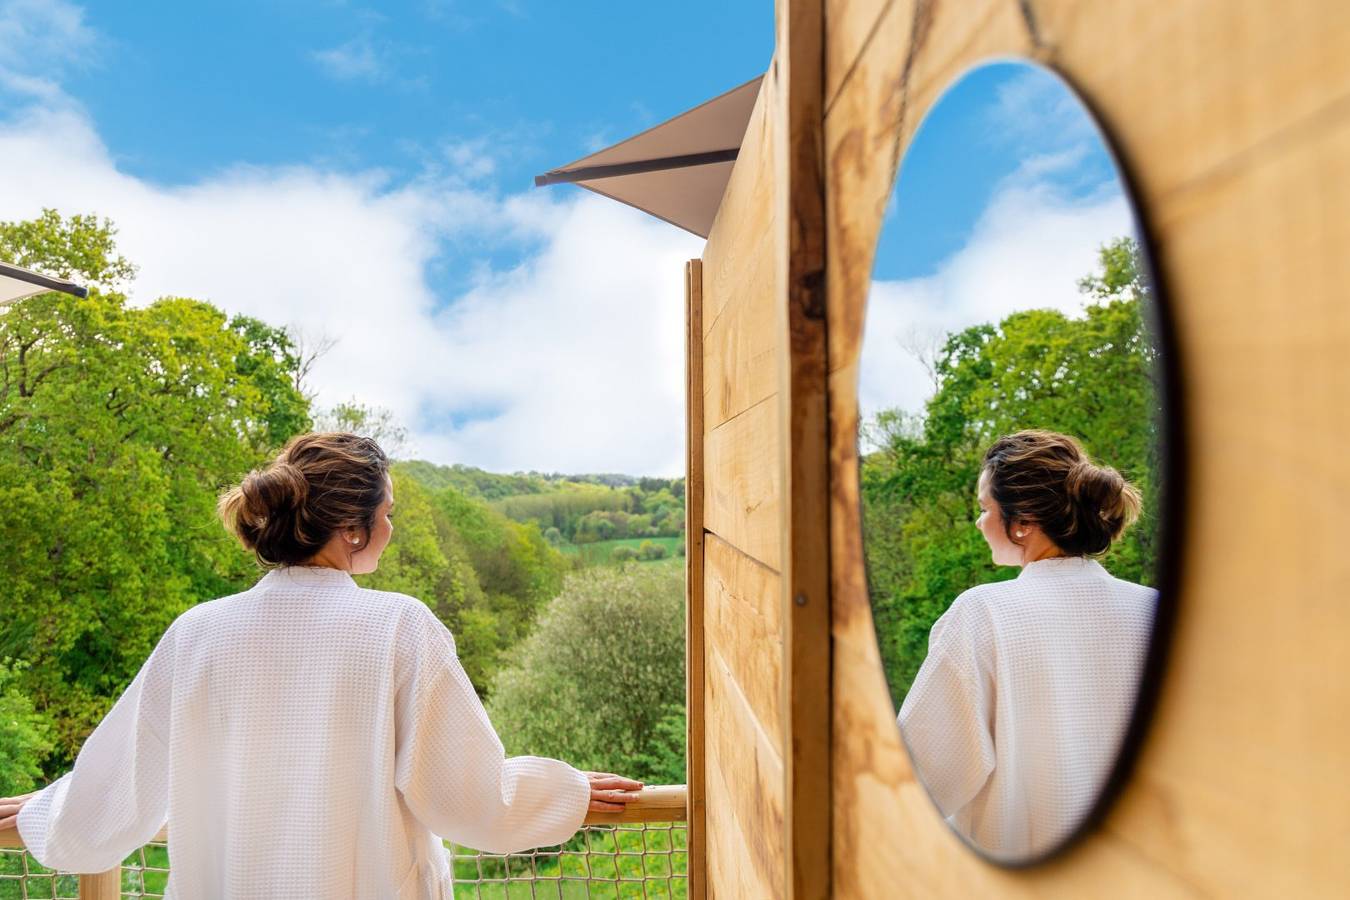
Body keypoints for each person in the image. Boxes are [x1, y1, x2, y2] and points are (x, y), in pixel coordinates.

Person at [0, 432, 642, 898]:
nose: (391, 528)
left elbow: (117, 788)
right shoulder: (399, 627)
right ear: (353, 530)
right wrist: (569, 792)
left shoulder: (197, 633)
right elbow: (467, 796)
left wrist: (41, 816)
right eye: (386, 514)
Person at [897, 429, 1156, 859]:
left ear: (1022, 524)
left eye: (984, 509)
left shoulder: (984, 614)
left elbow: (915, 779)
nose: (979, 522)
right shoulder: (1151, 611)